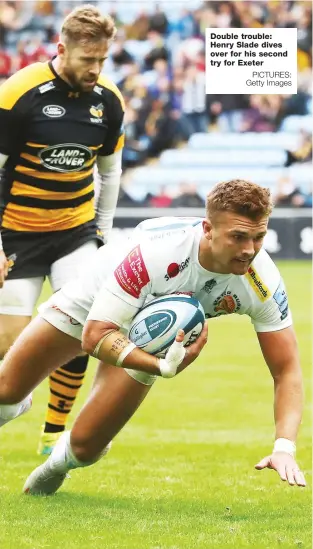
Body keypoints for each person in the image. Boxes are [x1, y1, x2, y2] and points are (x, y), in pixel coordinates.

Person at [0, 179, 306, 495]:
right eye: (238, 237)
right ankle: (17, 402)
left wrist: (284, 446)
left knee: (85, 450)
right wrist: (159, 366)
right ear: (208, 229)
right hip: (94, 301)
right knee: (5, 390)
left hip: (152, 329)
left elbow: (286, 370)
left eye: (258, 237)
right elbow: (94, 337)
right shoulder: (159, 253)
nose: (249, 250)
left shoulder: (262, 282)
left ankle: (55, 466)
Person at [0, 5, 125, 455]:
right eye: (86, 60)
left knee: (78, 329)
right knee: (8, 347)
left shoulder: (108, 100)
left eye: (102, 61)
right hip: (15, 233)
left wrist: (102, 233)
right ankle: (22, 397)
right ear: (61, 49)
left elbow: (110, 173)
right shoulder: (19, 93)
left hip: (74, 231)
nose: (95, 70)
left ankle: (55, 431)